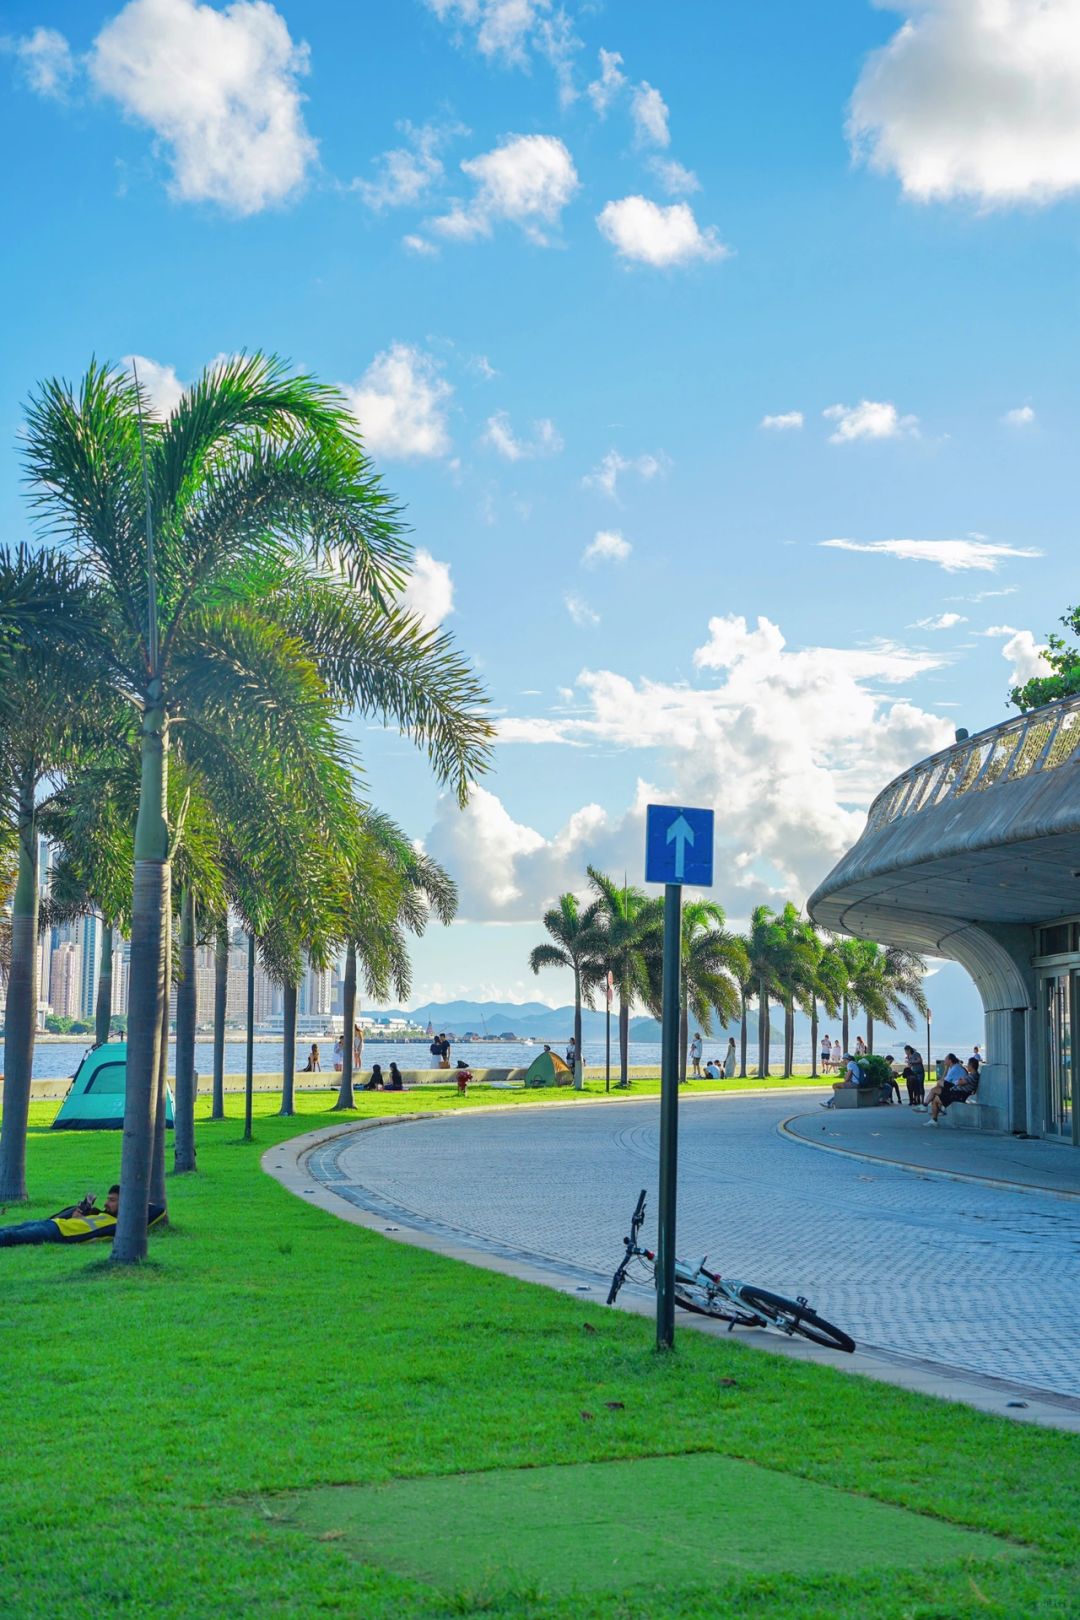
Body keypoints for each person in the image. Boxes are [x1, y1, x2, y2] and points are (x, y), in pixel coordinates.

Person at [0, 1185, 165, 1248]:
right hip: (52, 1224)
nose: (107, 1203)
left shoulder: (118, 1226)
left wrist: (136, 1202)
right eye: (108, 1199)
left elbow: (158, 1210)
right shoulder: (100, 1214)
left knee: (11, 1236)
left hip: (57, 1234)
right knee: (13, 1228)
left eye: (113, 1200)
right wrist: (79, 1213)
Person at [927, 1055, 979, 1124]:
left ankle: (934, 1119)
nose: (967, 1066)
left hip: (959, 1095)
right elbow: (960, 1081)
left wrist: (960, 1081)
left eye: (968, 1064)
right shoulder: (972, 1075)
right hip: (956, 1092)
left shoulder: (973, 1075)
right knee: (936, 1092)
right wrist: (960, 1081)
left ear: (971, 1065)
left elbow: (960, 1082)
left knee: (936, 1099)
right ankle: (934, 1115)